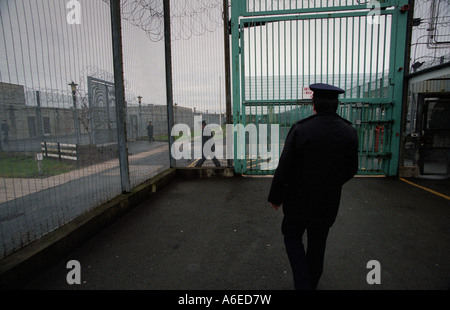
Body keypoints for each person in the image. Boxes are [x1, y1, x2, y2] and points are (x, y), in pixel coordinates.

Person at [267, 83, 358, 290]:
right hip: (328, 202)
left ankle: (303, 282)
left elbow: (285, 166)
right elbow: (352, 168)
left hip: (298, 201)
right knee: (318, 244)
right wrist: (332, 182)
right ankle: (311, 283)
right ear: (336, 105)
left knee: (291, 235)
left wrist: (276, 196)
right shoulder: (349, 131)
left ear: (314, 104)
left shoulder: (301, 128)